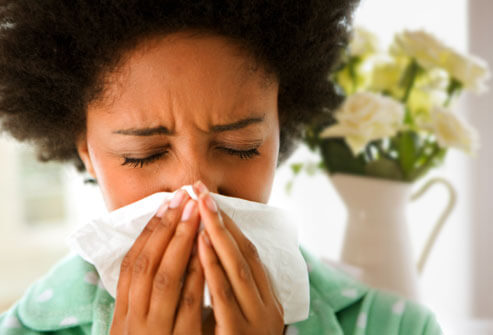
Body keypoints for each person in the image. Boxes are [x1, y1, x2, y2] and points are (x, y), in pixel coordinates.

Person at [0, 1, 443, 334]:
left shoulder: (397, 326)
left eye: (240, 146)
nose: (196, 189)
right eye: (144, 154)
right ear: (86, 153)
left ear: (278, 131)